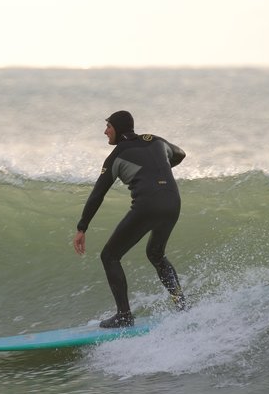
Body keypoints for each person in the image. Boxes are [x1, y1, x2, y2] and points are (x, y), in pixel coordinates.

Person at [73, 111, 187, 328]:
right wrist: (160, 168)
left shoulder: (116, 156)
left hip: (148, 204)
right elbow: (180, 154)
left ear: (118, 128)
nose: (105, 131)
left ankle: (124, 316)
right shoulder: (155, 140)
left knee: (109, 256)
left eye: (108, 126)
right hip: (173, 202)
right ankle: (182, 306)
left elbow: (98, 194)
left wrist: (82, 228)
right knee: (156, 254)